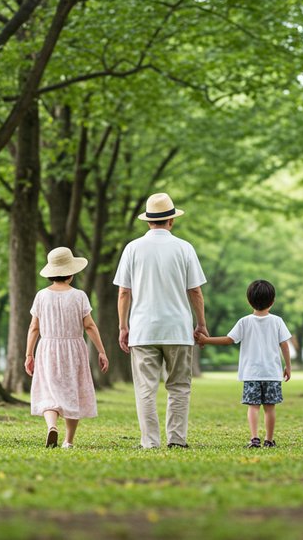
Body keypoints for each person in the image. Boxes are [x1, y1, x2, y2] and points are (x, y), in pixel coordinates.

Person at [114, 192, 208, 449]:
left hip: (143, 330)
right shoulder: (184, 248)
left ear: (148, 221)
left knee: (145, 389)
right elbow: (195, 291)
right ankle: (177, 440)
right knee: (179, 387)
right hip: (177, 329)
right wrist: (201, 324)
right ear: (171, 221)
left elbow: (124, 292)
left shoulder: (132, 248)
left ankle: (150, 442)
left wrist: (124, 326)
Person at [25, 247, 109, 448]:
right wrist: (101, 351)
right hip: (74, 349)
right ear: (71, 274)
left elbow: (34, 327)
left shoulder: (41, 296)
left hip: (47, 348)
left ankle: (52, 426)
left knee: (48, 390)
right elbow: (89, 325)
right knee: (72, 391)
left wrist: (29, 354)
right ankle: (68, 441)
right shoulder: (79, 296)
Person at [195, 280, 292, 448]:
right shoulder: (277, 321)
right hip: (271, 373)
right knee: (270, 408)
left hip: (251, 373)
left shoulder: (244, 321)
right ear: (273, 301)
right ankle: (269, 440)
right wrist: (288, 366)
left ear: (249, 300)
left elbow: (228, 340)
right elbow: (284, 344)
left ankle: (254, 439)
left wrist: (206, 340)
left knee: (253, 407)